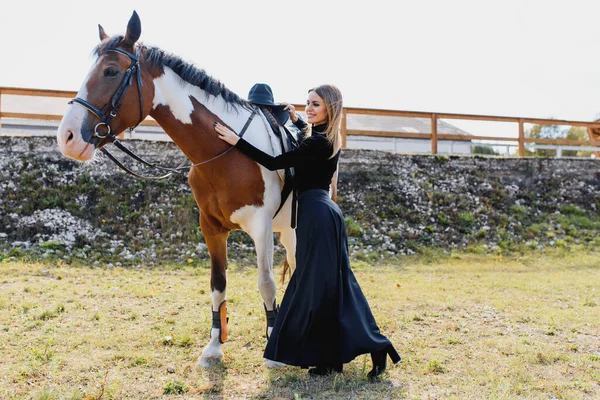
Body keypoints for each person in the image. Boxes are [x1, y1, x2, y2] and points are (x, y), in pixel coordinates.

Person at [214, 84, 400, 379]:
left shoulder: (318, 144)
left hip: (316, 216)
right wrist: (299, 121)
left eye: (315, 104)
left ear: (330, 109)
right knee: (330, 287)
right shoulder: (324, 138)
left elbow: (275, 162)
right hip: (320, 214)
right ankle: (335, 358)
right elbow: (306, 139)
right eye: (307, 103)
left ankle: (356, 351)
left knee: (315, 287)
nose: (309, 108)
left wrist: (238, 141)